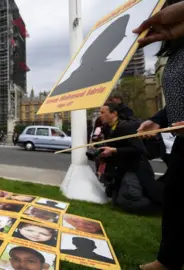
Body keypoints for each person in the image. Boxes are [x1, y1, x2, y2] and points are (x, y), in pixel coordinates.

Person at [133, 1, 184, 269]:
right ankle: (168, 260)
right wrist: (157, 119)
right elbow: (176, 98)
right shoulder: (176, 51)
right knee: (175, 199)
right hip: (182, 142)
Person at [98, 102, 163, 213]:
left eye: (103, 112)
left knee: (128, 202)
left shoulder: (126, 127)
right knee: (116, 201)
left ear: (114, 114)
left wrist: (114, 150)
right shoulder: (107, 128)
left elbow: (139, 150)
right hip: (122, 168)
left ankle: (161, 208)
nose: (100, 115)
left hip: (136, 168)